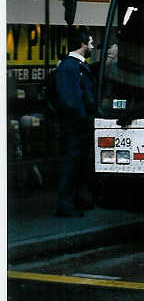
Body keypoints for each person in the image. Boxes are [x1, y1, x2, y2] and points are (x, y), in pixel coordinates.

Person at [54, 29, 96, 217]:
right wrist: (84, 119)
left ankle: (76, 200)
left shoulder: (75, 66)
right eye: (91, 42)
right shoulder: (70, 67)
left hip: (78, 124)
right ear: (83, 44)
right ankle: (65, 204)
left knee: (78, 164)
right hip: (76, 125)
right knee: (72, 164)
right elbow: (71, 99)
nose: (93, 46)